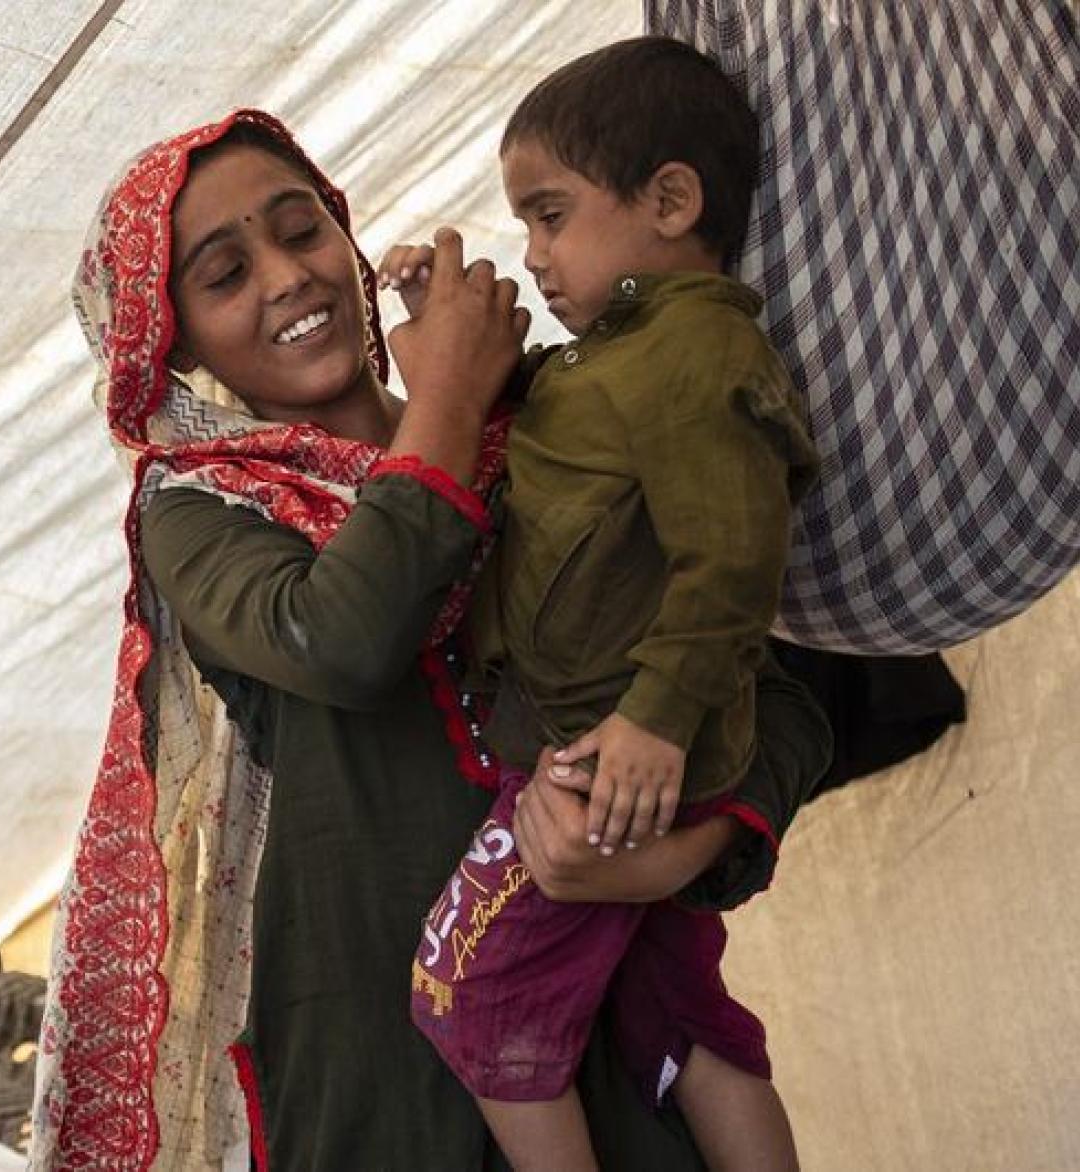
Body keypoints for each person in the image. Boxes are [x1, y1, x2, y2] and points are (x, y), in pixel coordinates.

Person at [30, 108, 831, 1172]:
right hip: (378, 1086)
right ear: (177, 345)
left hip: (612, 1065)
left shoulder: (547, 432)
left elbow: (779, 694)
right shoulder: (201, 512)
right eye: (225, 274)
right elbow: (343, 638)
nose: (288, 277)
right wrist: (448, 395)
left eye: (302, 231)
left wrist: (677, 854)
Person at [380, 38, 823, 1171]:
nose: (533, 256)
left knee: (462, 994)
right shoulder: (618, 359)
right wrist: (454, 343)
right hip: (624, 750)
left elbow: (731, 565)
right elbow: (560, 449)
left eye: (550, 215)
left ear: (669, 201)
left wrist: (654, 720)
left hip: (609, 757)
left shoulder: (698, 357)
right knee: (680, 1015)